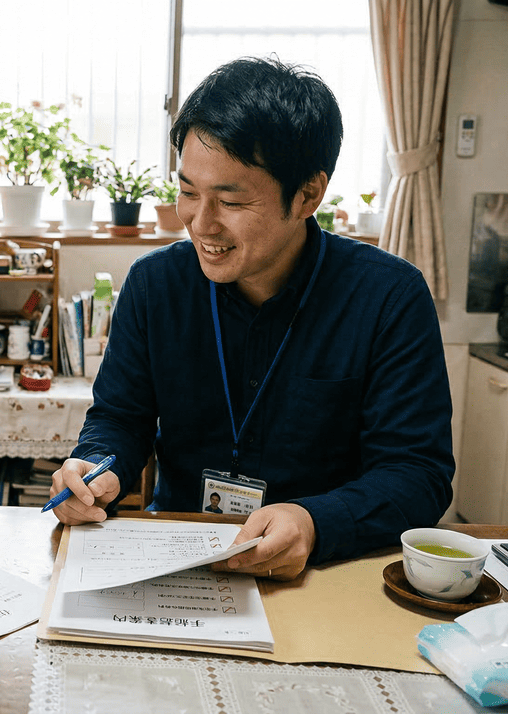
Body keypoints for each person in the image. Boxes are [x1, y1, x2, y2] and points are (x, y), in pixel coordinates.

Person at [49, 57, 453, 581]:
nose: (201, 223)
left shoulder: (388, 297)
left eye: (231, 201)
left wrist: (313, 522)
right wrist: (95, 466)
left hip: (323, 572)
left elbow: (418, 473)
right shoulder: (154, 285)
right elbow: (120, 419)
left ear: (307, 195)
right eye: (188, 192)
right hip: (181, 562)